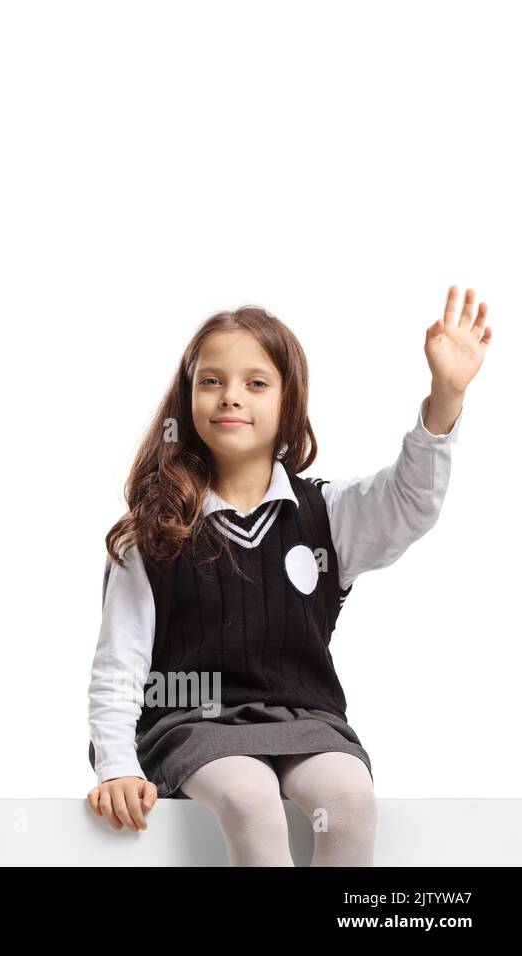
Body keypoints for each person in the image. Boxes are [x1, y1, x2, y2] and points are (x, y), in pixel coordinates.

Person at [85, 291, 491, 866]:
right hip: (194, 723)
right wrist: (118, 767)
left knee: (348, 800)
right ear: (188, 395)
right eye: (211, 381)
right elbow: (118, 667)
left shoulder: (324, 513)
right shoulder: (152, 534)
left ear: (288, 400)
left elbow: (409, 504)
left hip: (306, 721)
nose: (231, 396)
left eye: (256, 383)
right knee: (250, 800)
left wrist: (445, 397)